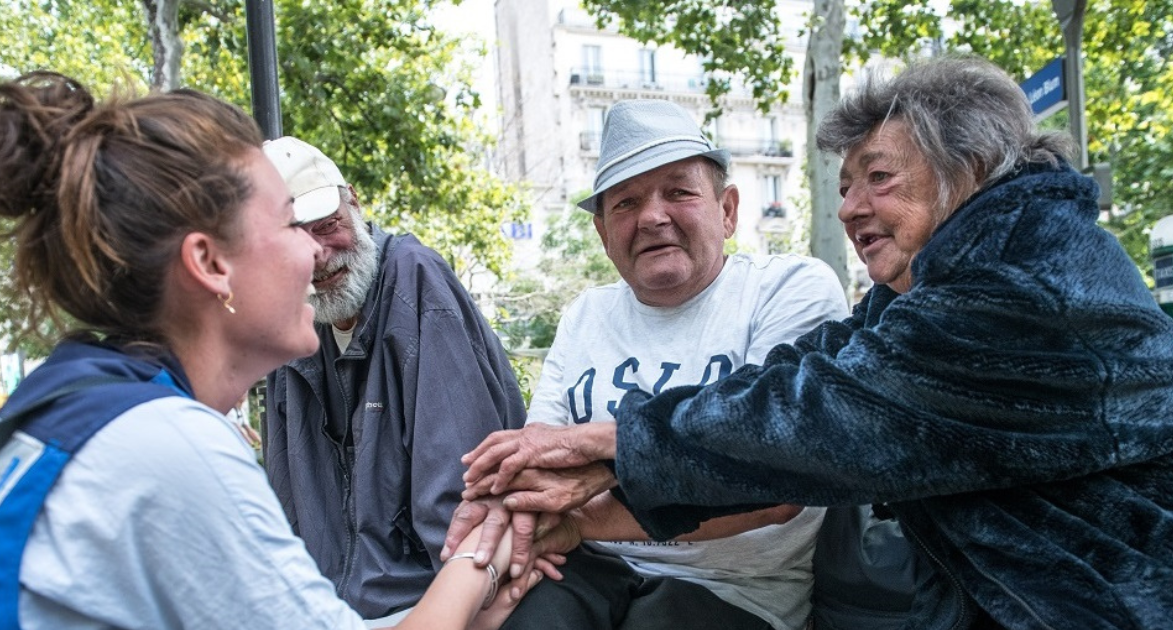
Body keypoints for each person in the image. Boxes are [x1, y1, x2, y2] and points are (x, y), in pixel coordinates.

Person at [455, 56, 1173, 629]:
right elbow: (802, 372)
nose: (849, 208)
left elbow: (823, 418)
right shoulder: (926, 287)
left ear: (966, 169)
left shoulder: (1028, 279)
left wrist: (603, 448)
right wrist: (561, 485)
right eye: (845, 187)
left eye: (878, 178)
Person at [0, 70, 552, 629]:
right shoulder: (170, 447)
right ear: (210, 264)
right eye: (290, 225)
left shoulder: (81, 402)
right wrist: (481, 563)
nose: (313, 255)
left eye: (321, 225)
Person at [485, 99, 848, 630]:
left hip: (734, 590)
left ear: (727, 210)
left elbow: (777, 484)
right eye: (626, 202)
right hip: (585, 569)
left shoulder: (789, 288)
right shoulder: (585, 314)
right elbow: (542, 462)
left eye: (679, 192)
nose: (652, 217)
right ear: (603, 234)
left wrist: (585, 516)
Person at [259, 136, 527, 622]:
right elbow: (285, 494)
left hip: (427, 602)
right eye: (295, 238)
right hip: (328, 608)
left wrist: (462, 610)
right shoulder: (290, 317)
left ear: (354, 202)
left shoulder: (415, 280)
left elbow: (463, 494)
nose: (318, 254)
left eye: (328, 226)